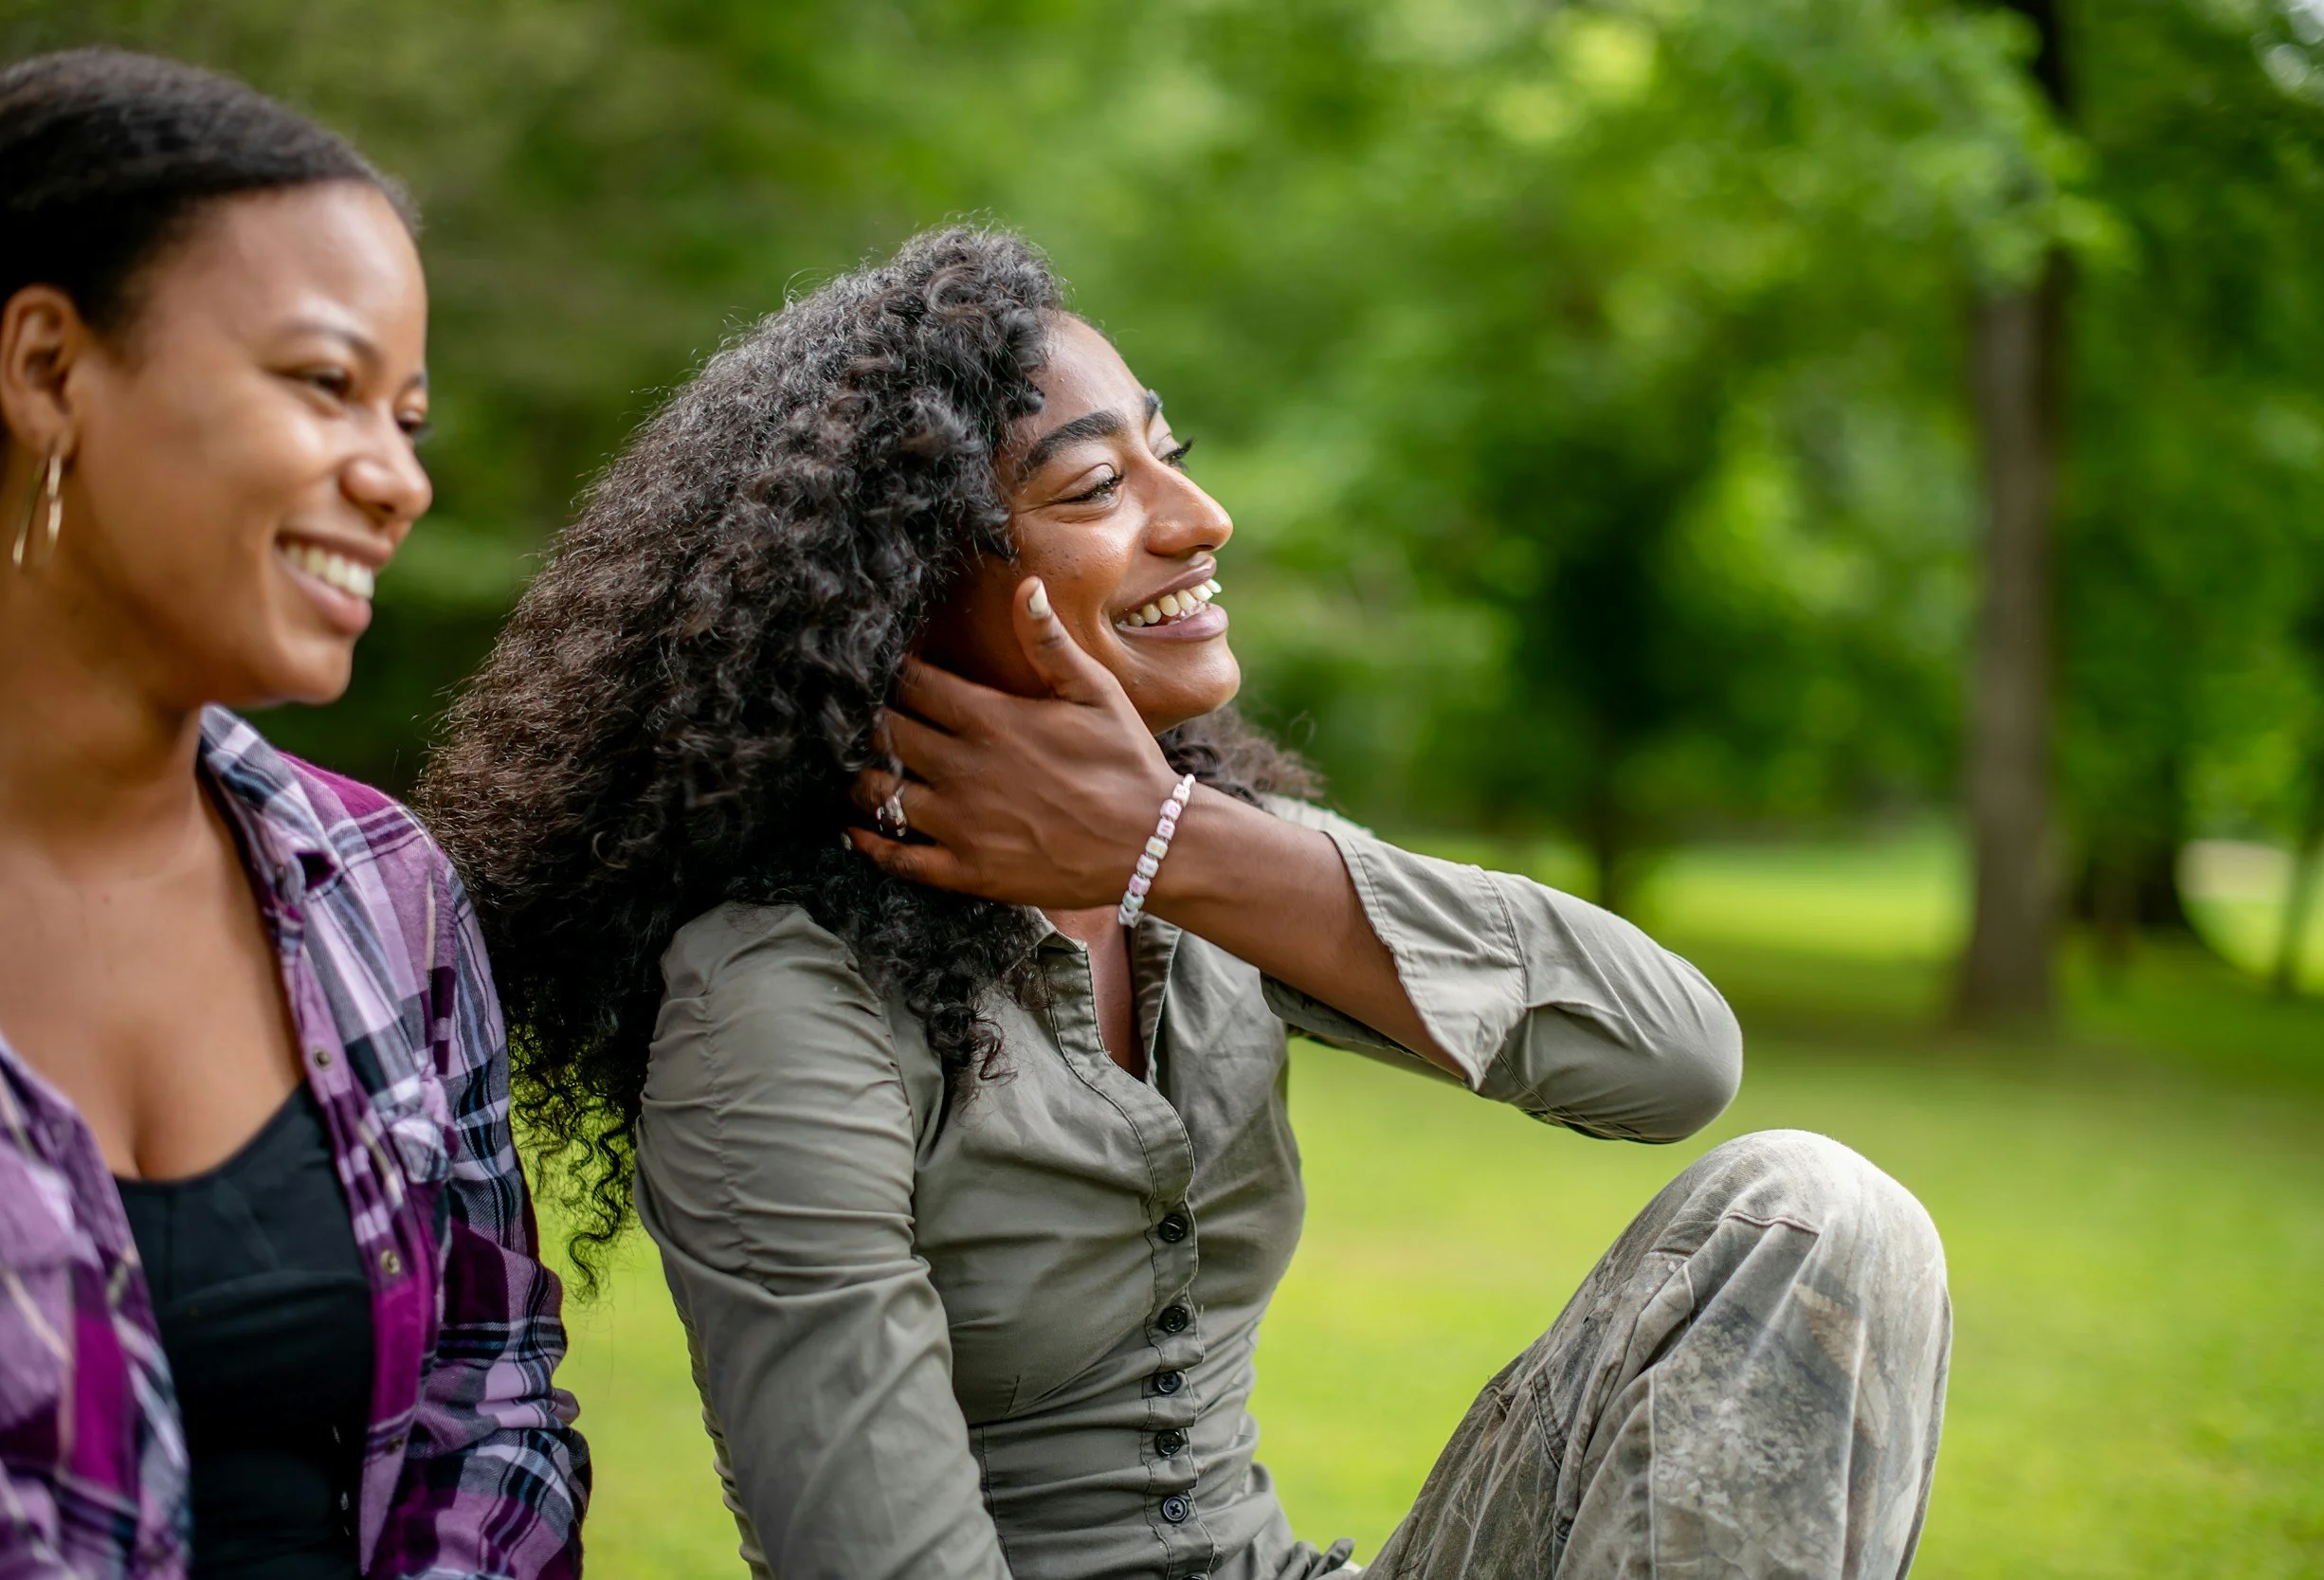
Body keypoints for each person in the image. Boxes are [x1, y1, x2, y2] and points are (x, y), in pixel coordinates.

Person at [425, 227, 1947, 1580]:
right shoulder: (775, 995)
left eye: (1171, 449)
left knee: (1816, 1216)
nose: (1200, 516)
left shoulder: (1191, 871)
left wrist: (1169, 840)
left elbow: (1672, 1060)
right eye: (1097, 484)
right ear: (891, 588)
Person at [0, 49, 588, 1579]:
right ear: (50, 369)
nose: (399, 481)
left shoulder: (385, 894)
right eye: (328, 385)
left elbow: (493, 1389)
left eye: (409, 416)